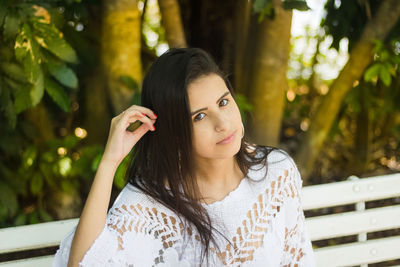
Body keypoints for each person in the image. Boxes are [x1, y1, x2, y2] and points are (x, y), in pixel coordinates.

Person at [53, 47, 316, 267]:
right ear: (175, 132)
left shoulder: (276, 171)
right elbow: (83, 263)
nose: (223, 123)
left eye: (223, 102)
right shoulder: (153, 205)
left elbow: (297, 260)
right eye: (199, 116)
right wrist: (110, 163)